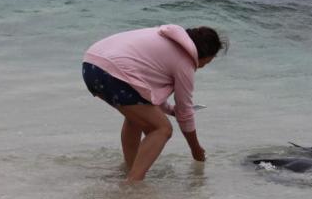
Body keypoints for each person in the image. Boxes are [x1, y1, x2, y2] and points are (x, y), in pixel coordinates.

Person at [82, 25, 225, 181]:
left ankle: (130, 169)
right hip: (113, 73)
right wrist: (195, 149)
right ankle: (133, 183)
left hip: (91, 65)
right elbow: (185, 113)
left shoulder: (164, 37)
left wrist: (170, 110)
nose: (204, 66)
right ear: (205, 54)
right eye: (208, 62)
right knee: (162, 129)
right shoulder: (186, 61)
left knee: (136, 118)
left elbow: (144, 91)